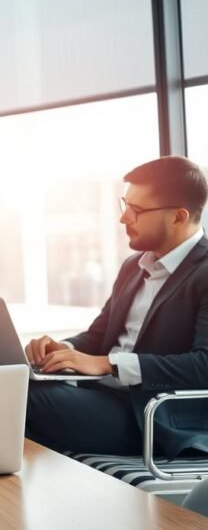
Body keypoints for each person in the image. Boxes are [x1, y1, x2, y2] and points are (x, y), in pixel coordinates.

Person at [25, 156, 208, 458]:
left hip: (152, 418)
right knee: (2, 378)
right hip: (105, 399)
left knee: (22, 397)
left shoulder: (203, 273)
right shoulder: (134, 266)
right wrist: (62, 348)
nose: (124, 219)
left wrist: (109, 364)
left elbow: (203, 365)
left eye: (136, 211)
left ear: (178, 216)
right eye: (126, 205)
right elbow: (99, 336)